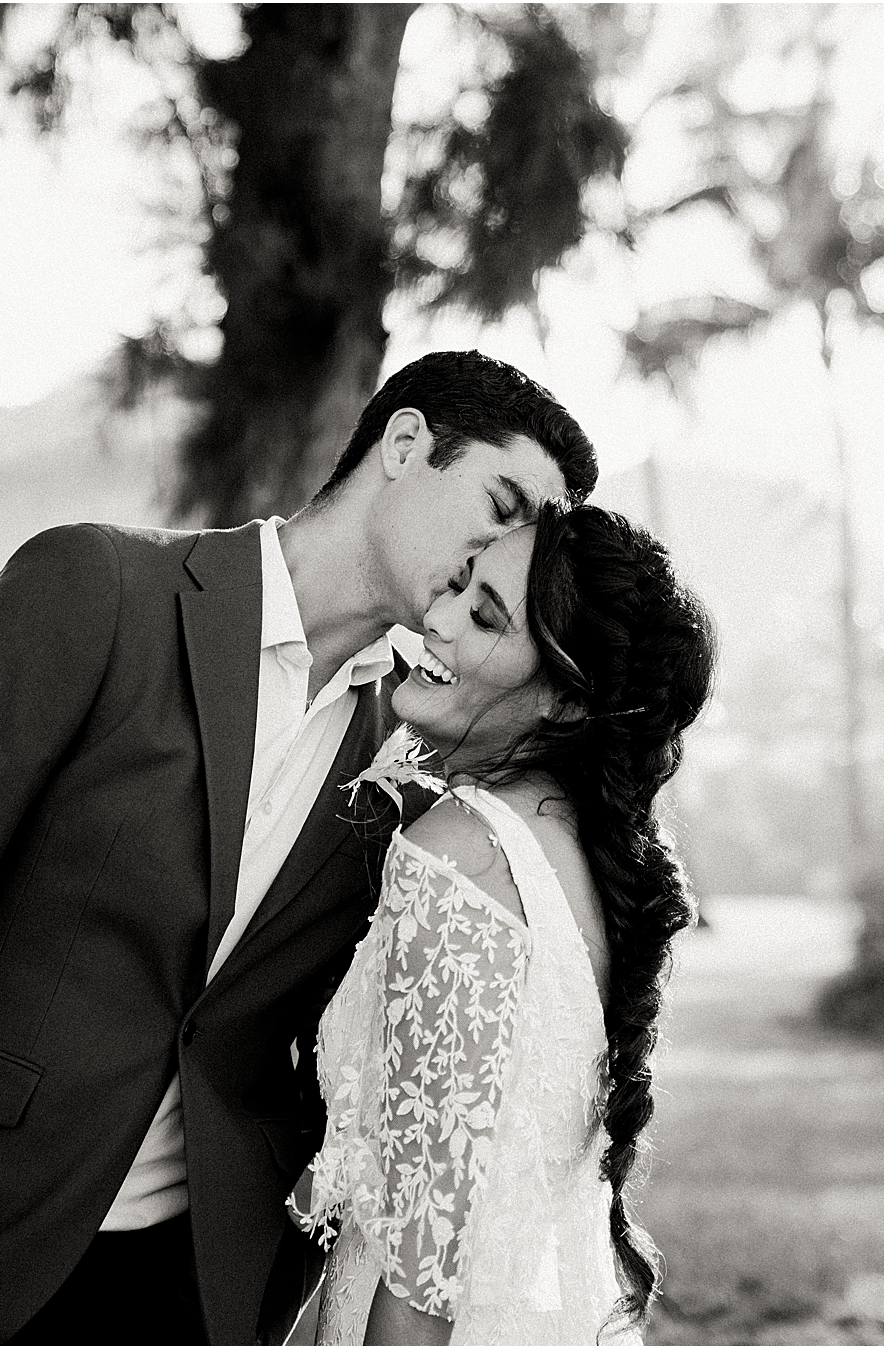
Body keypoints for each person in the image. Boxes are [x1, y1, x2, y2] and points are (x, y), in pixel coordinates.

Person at [0, 350, 599, 1345]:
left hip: (197, 1284)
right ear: (404, 442)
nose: (504, 552)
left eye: (534, 538)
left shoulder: (406, 758)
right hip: (3, 1221)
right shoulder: (97, 587)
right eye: (503, 500)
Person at [293, 503, 715, 1344]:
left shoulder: (459, 858)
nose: (437, 621)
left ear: (563, 702)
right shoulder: (576, 862)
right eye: (459, 586)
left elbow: (419, 1286)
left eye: (484, 615)